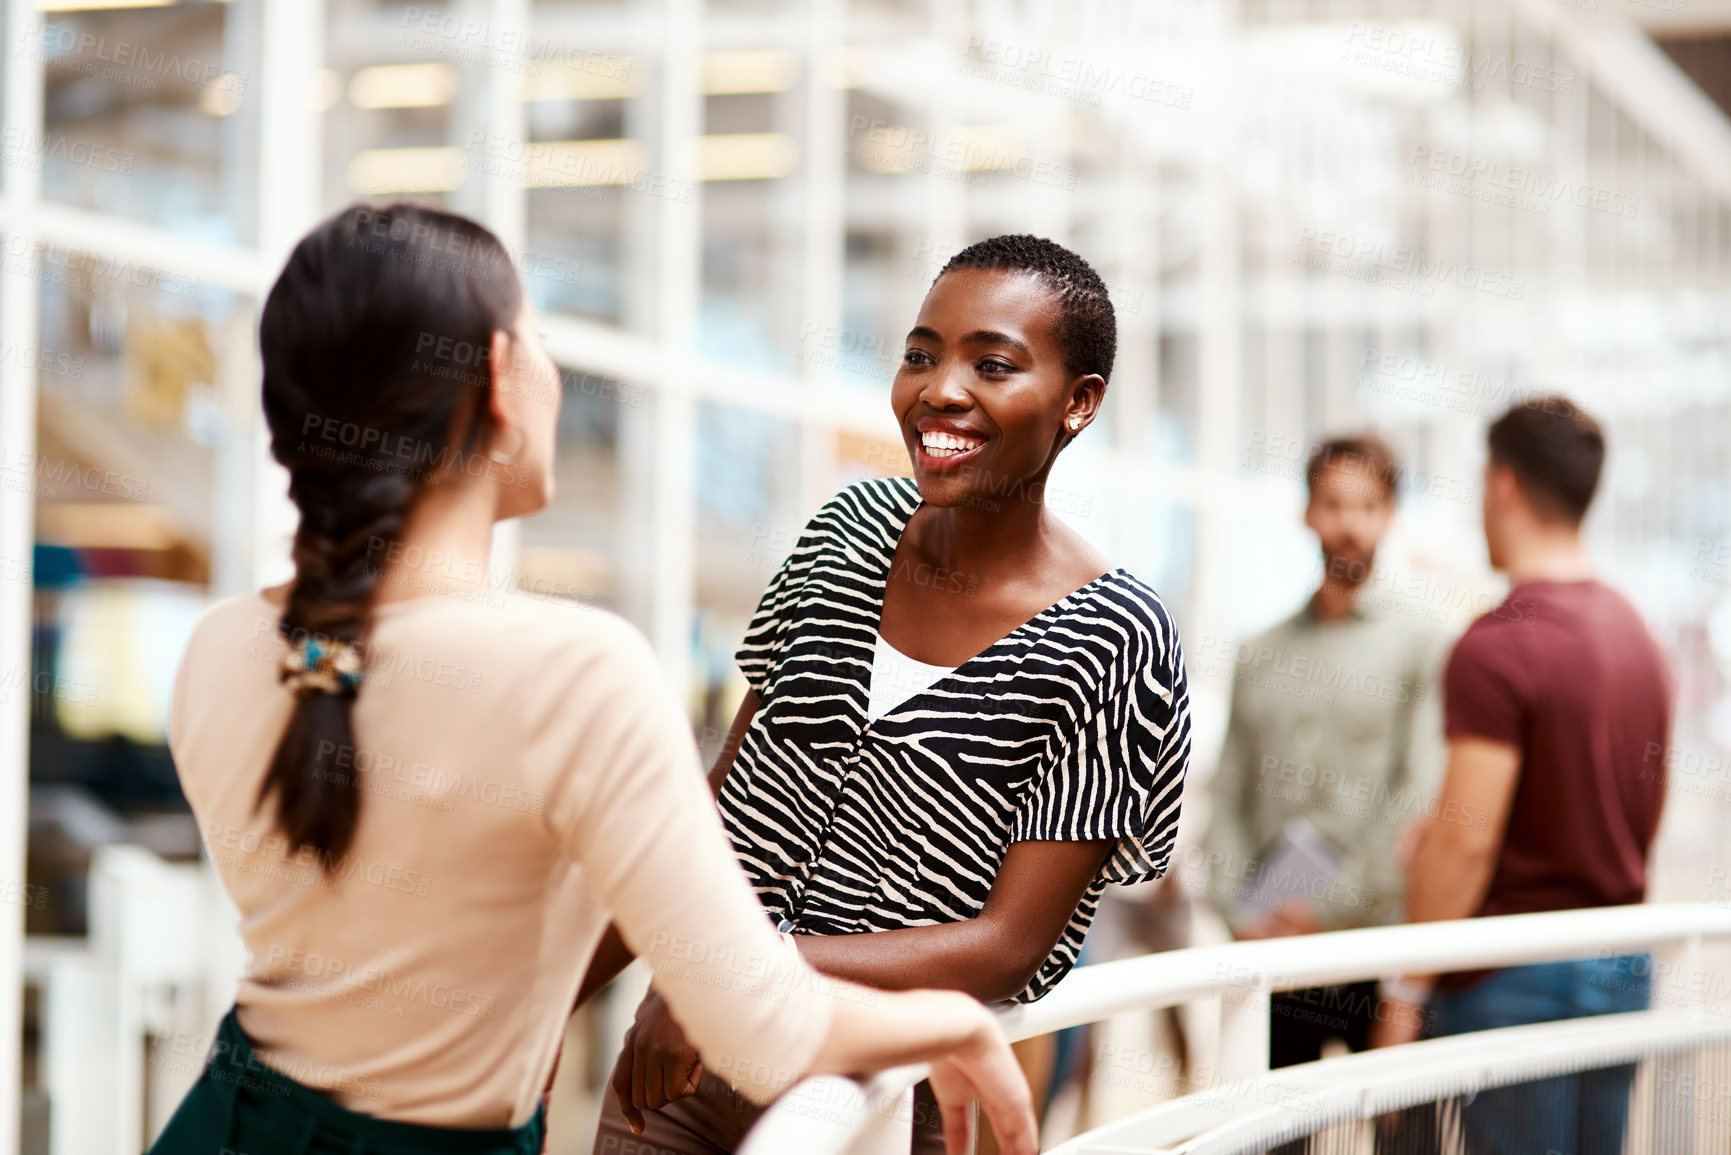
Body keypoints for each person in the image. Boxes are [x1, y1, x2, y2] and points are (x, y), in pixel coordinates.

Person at [149, 203, 1039, 1155]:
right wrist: (956, 1024)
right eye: (536, 336)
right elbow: (761, 1025)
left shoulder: (221, 648)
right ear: (496, 377)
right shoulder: (574, 672)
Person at [585, 235, 1193, 1154]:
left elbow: (1008, 943)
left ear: (1079, 402)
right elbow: (720, 801)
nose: (938, 390)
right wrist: (547, 1004)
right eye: (919, 354)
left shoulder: (1117, 637)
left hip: (893, 1091)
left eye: (991, 364)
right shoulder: (844, 532)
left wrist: (734, 970)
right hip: (691, 1060)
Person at [1370, 397, 1671, 1155]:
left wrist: (1404, 995)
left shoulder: (1498, 644)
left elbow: (1465, 845)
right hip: (1618, 960)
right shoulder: (1637, 634)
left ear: (1501, 484)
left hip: (1512, 976)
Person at [1205, 435, 1447, 1073]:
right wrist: (1239, 910)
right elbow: (1227, 790)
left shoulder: (1423, 643)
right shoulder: (1260, 653)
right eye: (1334, 504)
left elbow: (1418, 792)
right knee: (1282, 1134)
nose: (1350, 524)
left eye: (1368, 506)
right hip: (1273, 949)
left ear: (1390, 515)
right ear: (1307, 512)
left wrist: (1327, 908)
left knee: (1403, 1139)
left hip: (1374, 944)